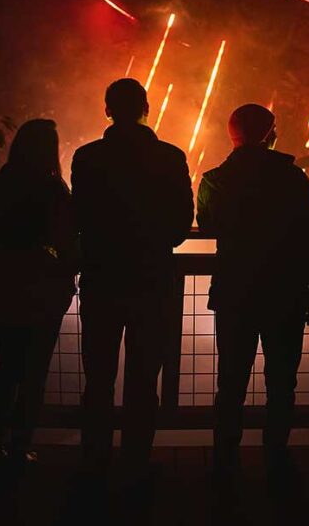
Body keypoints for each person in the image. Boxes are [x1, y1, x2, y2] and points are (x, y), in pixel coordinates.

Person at [196, 104, 309, 490]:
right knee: (282, 381)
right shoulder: (291, 178)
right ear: (270, 134)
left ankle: (224, 460)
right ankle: (276, 456)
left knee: (231, 382)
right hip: (285, 293)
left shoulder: (214, 181)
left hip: (235, 293)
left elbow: (207, 224)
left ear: (231, 135)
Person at [70, 78, 194, 495]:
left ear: (107, 110)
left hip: (102, 279)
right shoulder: (171, 157)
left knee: (99, 377)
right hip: (152, 279)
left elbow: (80, 218)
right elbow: (179, 226)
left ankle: (94, 463)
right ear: (147, 107)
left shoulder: (87, 158)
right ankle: (135, 465)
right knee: (144, 380)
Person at [0, 119, 78, 477]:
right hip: (46, 290)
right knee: (34, 372)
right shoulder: (54, 190)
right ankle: (19, 445)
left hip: (8, 287)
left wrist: (3, 258)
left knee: (8, 367)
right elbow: (67, 243)